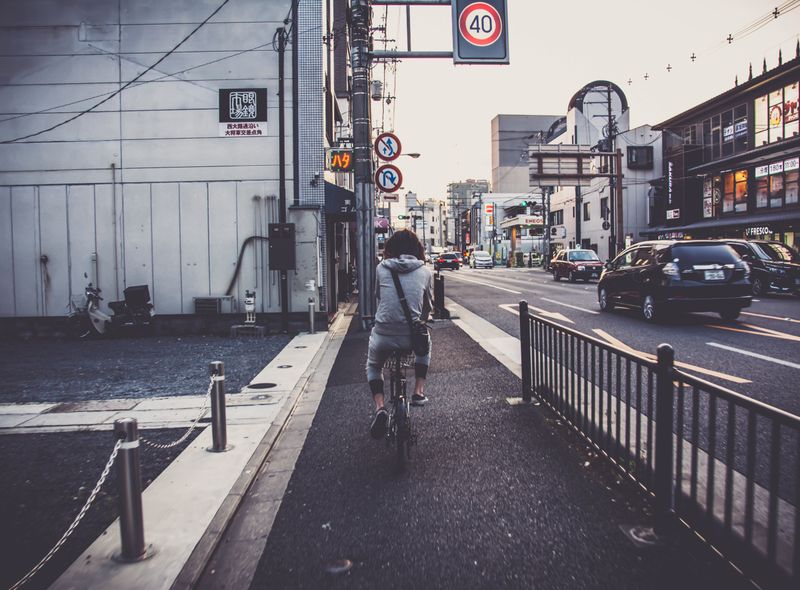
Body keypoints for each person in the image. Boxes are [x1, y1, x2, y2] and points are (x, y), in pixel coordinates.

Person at [366, 229, 433, 439]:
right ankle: (418, 392)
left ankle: (380, 408)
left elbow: (378, 295)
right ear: (417, 249)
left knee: (373, 366)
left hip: (384, 333)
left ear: (391, 248)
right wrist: (421, 319)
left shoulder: (381, 269)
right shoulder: (425, 272)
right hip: (410, 335)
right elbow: (427, 305)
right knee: (425, 345)